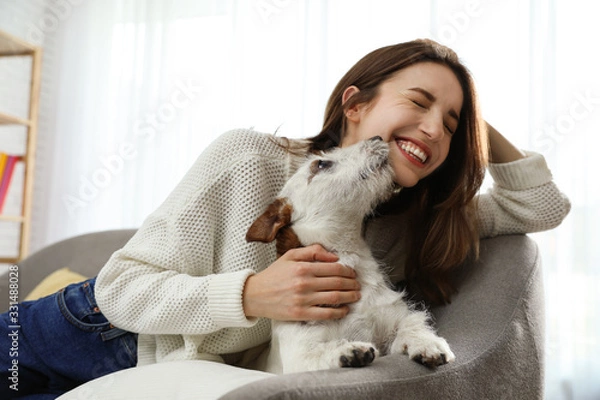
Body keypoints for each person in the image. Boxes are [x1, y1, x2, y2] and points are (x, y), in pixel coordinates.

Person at [1, 38, 570, 398]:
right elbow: (123, 288)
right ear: (355, 104)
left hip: (161, 380)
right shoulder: (252, 159)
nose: (431, 128)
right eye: (418, 102)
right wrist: (251, 295)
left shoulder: (415, 218)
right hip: (96, 328)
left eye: (448, 124)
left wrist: (473, 117)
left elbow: (541, 206)